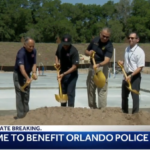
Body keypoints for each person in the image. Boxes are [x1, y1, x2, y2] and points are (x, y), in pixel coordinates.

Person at [85, 27, 114, 109]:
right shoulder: (94, 40)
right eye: (103, 36)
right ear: (100, 34)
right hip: (92, 67)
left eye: (107, 37)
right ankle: (92, 108)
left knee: (102, 89)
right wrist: (89, 52)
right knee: (90, 88)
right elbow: (86, 51)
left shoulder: (109, 45)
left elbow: (107, 60)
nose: (105, 38)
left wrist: (99, 65)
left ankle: (102, 110)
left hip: (102, 67)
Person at [118, 32, 145, 114]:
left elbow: (140, 67)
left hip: (134, 75)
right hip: (126, 74)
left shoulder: (140, 52)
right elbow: (127, 60)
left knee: (135, 96)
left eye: (132, 38)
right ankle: (124, 112)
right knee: (124, 96)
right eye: (129, 38)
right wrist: (122, 62)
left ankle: (135, 114)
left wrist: (131, 75)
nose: (130, 39)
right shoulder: (127, 49)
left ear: (137, 40)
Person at [13, 37, 37, 119]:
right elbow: (21, 68)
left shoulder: (34, 51)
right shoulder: (21, 53)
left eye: (33, 46)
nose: (31, 48)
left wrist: (34, 73)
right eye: (30, 46)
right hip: (19, 74)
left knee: (26, 94)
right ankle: (20, 116)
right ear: (25, 45)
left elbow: (34, 63)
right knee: (20, 94)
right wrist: (27, 77)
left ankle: (26, 115)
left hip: (27, 73)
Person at [55, 34, 79, 107]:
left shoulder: (74, 51)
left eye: (67, 45)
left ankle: (70, 110)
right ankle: (63, 110)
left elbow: (75, 66)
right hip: (62, 72)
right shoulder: (60, 47)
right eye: (64, 45)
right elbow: (56, 55)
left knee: (70, 93)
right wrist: (57, 62)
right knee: (62, 92)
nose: (65, 46)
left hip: (71, 74)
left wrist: (64, 74)